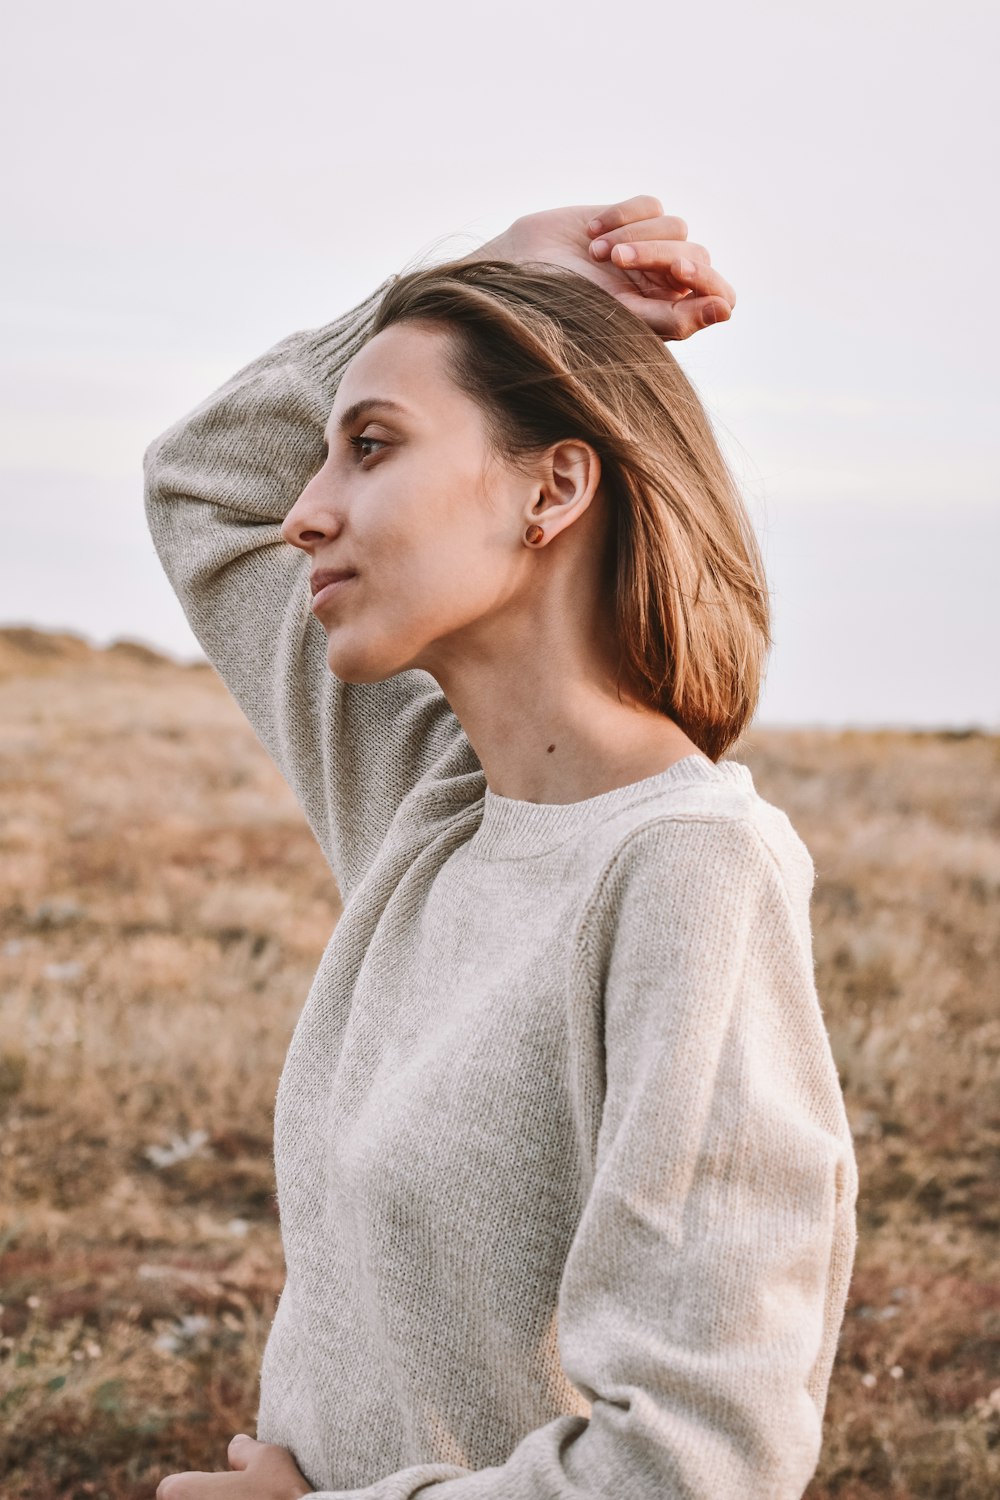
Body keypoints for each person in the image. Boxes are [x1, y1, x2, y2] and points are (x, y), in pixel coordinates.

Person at [146, 196, 857, 1500]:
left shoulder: (691, 875)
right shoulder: (423, 801)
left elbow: (700, 1462)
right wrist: (480, 278)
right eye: (321, 457)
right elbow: (203, 489)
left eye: (370, 447)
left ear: (555, 485)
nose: (305, 513)